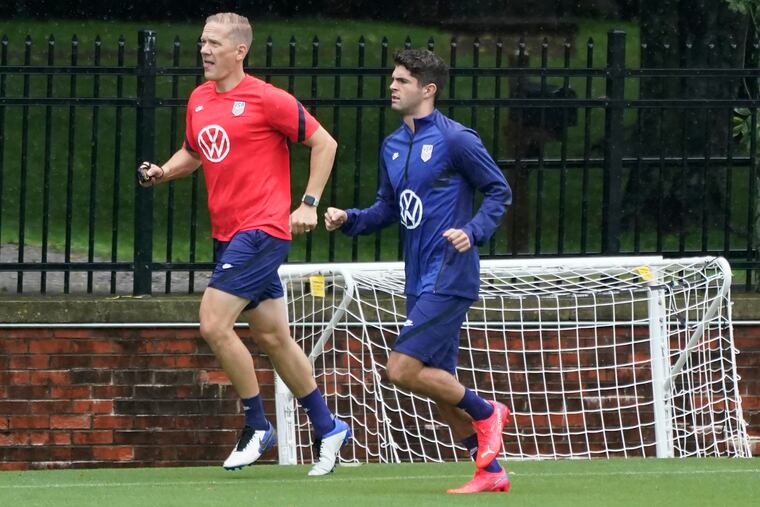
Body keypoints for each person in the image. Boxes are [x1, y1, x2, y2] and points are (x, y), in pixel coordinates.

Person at [137, 12, 349, 476]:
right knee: (273, 336)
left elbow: (325, 143)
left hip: (261, 231)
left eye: (214, 43)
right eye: (201, 42)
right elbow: (195, 151)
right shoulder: (198, 99)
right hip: (227, 234)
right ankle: (328, 425)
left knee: (213, 324)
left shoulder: (267, 99)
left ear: (239, 51)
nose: (205, 51)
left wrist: (308, 203)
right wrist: (163, 173)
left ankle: (257, 426)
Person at [324, 49, 513, 494]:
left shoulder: (457, 139)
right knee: (439, 386)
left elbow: (498, 191)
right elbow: (388, 209)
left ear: (428, 90)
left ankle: (487, 413)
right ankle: (490, 472)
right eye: (393, 78)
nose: (393, 86)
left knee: (402, 369)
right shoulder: (392, 145)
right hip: (418, 277)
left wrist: (473, 230)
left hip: (449, 274)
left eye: (403, 81)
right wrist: (349, 219)